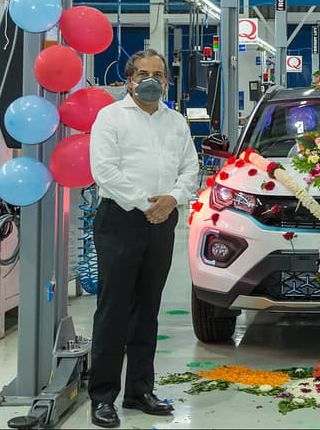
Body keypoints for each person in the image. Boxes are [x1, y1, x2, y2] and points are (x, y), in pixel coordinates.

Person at [88, 49, 199, 428]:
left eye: (158, 74)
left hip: (162, 221)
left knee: (148, 310)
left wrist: (172, 199)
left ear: (167, 81)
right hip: (120, 220)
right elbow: (104, 170)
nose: (151, 80)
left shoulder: (176, 122)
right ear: (129, 80)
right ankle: (102, 397)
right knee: (114, 310)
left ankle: (139, 390)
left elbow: (190, 168)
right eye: (143, 74)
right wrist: (145, 204)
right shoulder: (110, 117)